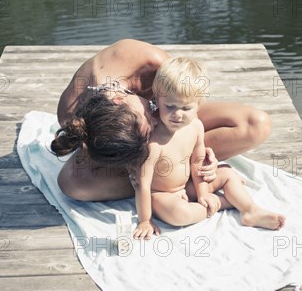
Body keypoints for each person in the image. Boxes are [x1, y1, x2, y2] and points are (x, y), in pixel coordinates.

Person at [52, 39, 272, 202]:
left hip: (171, 114)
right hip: (142, 157)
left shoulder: (148, 61)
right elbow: (103, 157)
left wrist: (200, 147)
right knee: (73, 184)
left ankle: (176, 177)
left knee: (256, 125)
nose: (155, 122)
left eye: (148, 116)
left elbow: (187, 101)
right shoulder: (72, 116)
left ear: (120, 99)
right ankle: (173, 183)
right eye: (150, 124)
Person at [131, 57, 285, 239]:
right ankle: (225, 202)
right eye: (169, 106)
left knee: (227, 174)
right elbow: (143, 184)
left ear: (199, 105)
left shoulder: (195, 126)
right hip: (162, 195)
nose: (177, 114)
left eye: (186, 108)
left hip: (187, 186)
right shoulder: (154, 142)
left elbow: (197, 161)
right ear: (157, 99)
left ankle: (250, 211)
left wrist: (203, 193)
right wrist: (145, 220)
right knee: (178, 214)